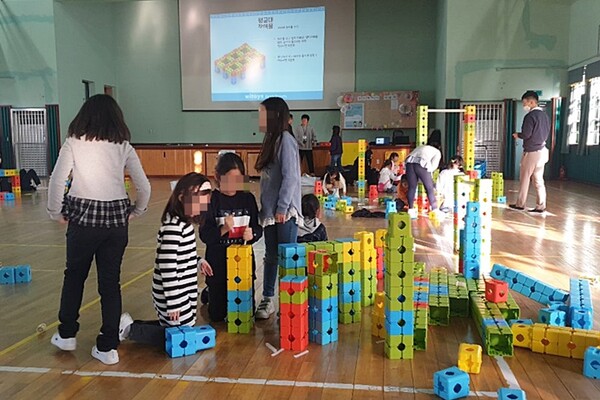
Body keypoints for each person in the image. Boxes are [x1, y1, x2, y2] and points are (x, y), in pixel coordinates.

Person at [47, 94, 151, 365]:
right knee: (110, 283)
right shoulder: (123, 146)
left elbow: (58, 181)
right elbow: (145, 187)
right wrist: (137, 211)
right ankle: (107, 347)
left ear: (84, 116)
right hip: (116, 222)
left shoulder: (73, 143)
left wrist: (55, 212)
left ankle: (67, 334)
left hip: (82, 221)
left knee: (74, 277)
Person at [119, 173, 212, 348]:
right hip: (171, 292)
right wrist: (173, 303)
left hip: (183, 289)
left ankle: (131, 326)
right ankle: (129, 330)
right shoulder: (173, 227)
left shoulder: (184, 224)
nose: (202, 208)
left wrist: (198, 261)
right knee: (180, 335)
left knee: (182, 327)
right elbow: (167, 267)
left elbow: (182, 255)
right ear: (182, 198)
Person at [199, 153, 262, 322]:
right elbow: (205, 235)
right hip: (218, 265)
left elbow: (258, 227)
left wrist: (253, 234)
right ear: (217, 177)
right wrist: (224, 229)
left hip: (243, 265)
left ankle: (211, 292)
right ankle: (209, 292)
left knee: (245, 313)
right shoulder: (210, 200)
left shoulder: (247, 198)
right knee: (218, 316)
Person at [255, 97, 302, 319]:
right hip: (270, 213)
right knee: (271, 255)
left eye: (262, 113)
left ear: (273, 115)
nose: (259, 118)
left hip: (284, 213)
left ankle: (289, 300)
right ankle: (267, 298)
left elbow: (291, 177)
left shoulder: (285, 139)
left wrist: (282, 207)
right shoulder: (270, 140)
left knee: (287, 256)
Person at [509, 91, 550, 213]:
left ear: (531, 102)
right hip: (542, 151)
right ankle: (541, 206)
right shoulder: (545, 116)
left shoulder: (530, 116)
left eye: (525, 102)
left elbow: (527, 134)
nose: (524, 105)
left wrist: (518, 135)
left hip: (532, 152)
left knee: (525, 178)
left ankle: (520, 204)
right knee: (538, 180)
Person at [404, 137, 442, 219]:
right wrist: (429, 179)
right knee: (429, 188)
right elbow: (432, 167)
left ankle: (410, 210)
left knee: (412, 187)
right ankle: (435, 209)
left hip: (409, 162)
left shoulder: (421, 147)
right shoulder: (437, 152)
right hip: (421, 163)